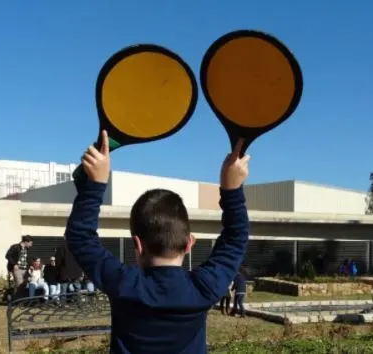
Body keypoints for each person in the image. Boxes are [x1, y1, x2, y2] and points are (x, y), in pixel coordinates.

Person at [65, 131, 250, 354]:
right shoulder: (203, 288)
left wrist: (94, 186)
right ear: (189, 243)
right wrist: (232, 191)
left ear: (138, 244)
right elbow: (236, 237)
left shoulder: (125, 285)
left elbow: (80, 237)